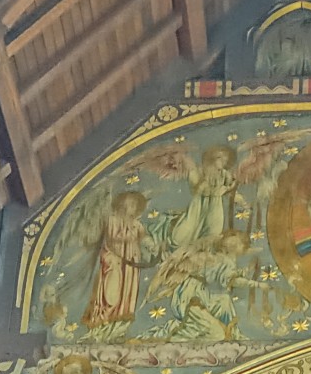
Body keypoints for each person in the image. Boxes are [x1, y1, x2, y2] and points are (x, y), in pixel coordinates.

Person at [82, 192, 154, 342]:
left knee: (127, 296)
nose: (133, 207)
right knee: (111, 295)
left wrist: (151, 244)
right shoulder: (113, 220)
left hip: (130, 265)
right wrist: (131, 235)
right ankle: (101, 326)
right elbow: (113, 238)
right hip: (114, 262)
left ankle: (119, 329)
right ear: (122, 204)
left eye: (135, 205)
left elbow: (144, 237)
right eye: (130, 204)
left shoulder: (137, 224)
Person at [169, 146, 238, 248]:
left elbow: (230, 187)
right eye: (220, 158)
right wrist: (203, 184)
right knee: (190, 226)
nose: (223, 161)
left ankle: (205, 248)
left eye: (225, 160)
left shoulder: (224, 174)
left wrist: (230, 186)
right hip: (199, 204)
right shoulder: (200, 170)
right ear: (212, 158)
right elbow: (195, 190)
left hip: (215, 203)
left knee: (214, 227)